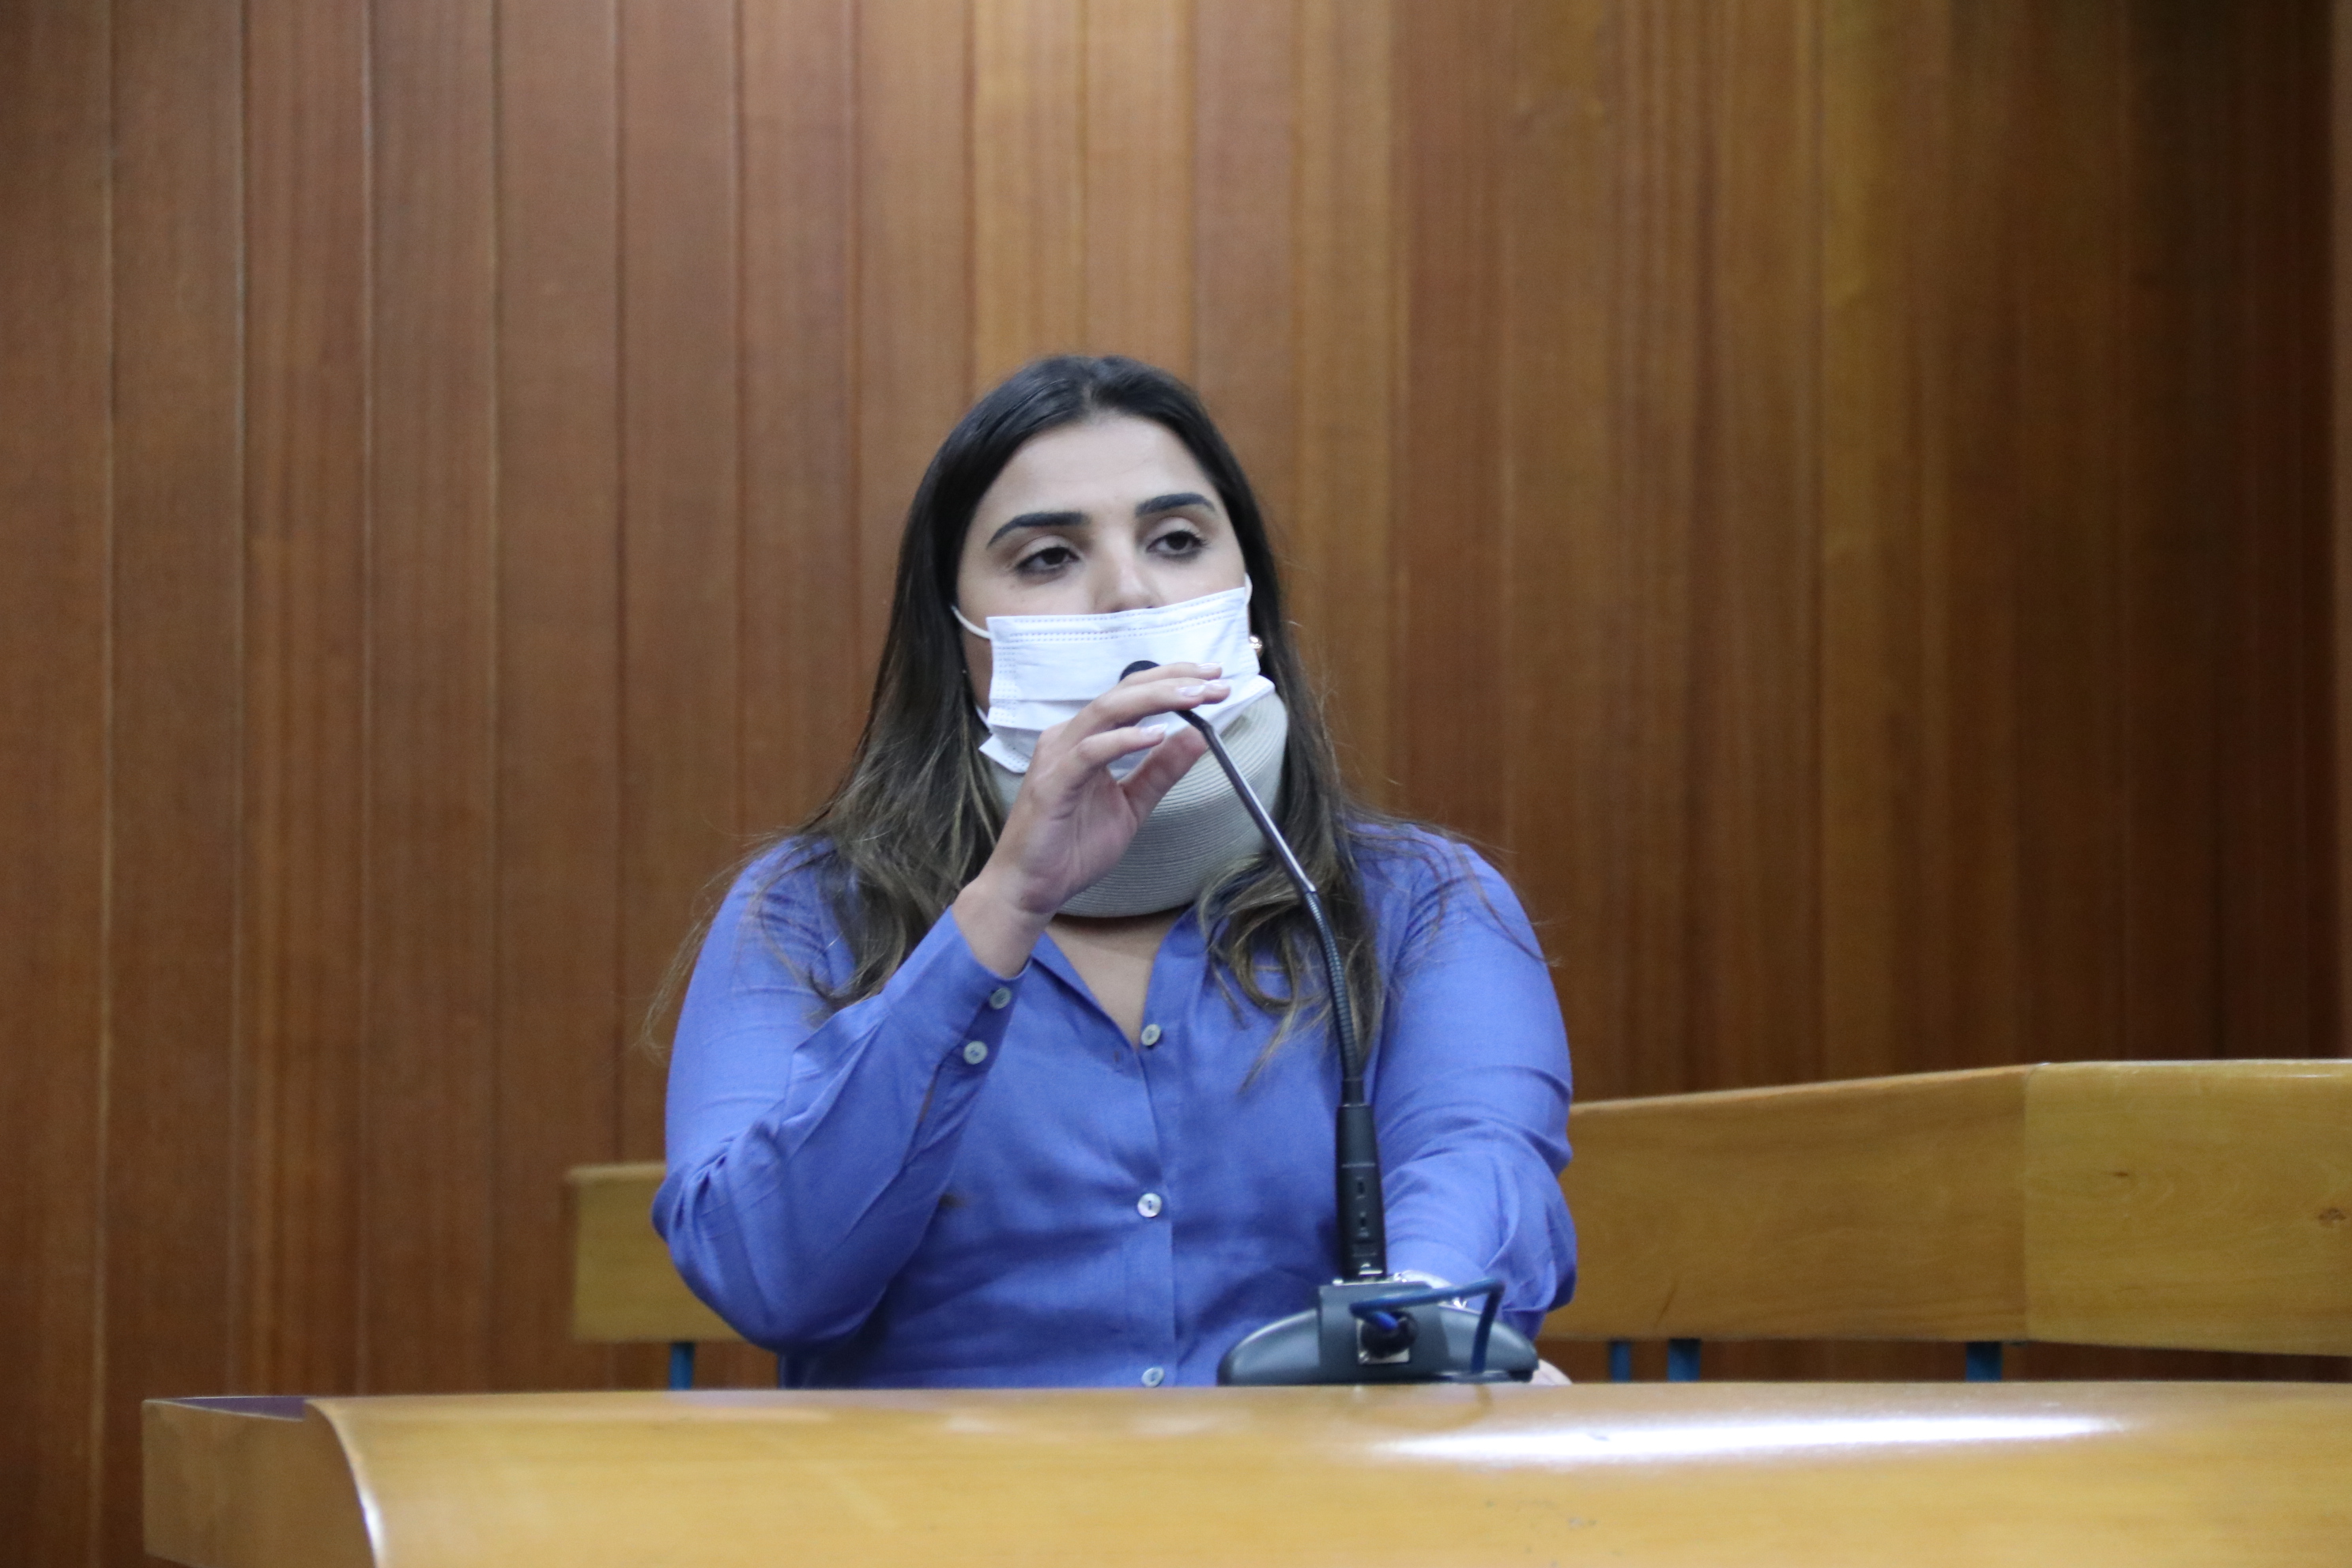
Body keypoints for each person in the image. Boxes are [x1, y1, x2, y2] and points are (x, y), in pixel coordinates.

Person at [655, 356, 1575, 1388]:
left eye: (1177, 541)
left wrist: (1413, 1331)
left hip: (1297, 1479)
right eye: (1048, 558)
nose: (1131, 592)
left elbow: (1474, 1166)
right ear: (956, 634)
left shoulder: (1420, 904)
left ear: (1250, 597)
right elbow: (766, 1281)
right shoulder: (807, 910)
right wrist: (1003, 908)